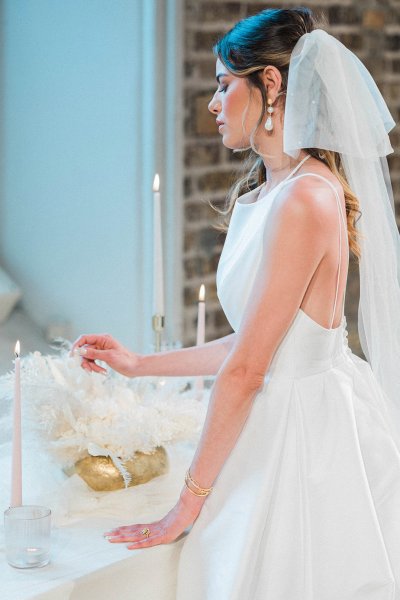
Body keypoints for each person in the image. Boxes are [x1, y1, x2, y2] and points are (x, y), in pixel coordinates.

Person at [72, 7, 400, 599]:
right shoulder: (277, 189)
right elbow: (253, 344)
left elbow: (249, 370)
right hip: (276, 410)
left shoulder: (305, 199)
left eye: (225, 84)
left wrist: (183, 508)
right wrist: (141, 365)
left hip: (301, 438)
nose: (213, 104)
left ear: (269, 85)